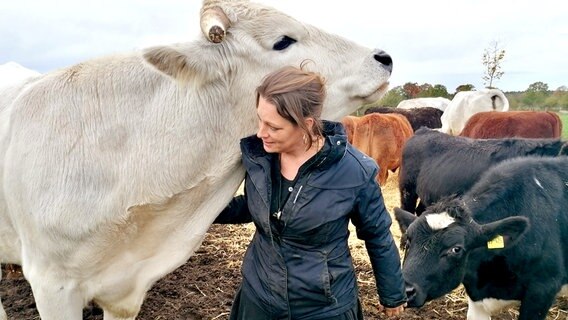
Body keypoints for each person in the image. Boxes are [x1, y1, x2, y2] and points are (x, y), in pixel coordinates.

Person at [214, 63, 407, 320]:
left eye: (274, 126)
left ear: (306, 125)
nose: (261, 133)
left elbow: (378, 235)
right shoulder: (261, 156)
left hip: (323, 307)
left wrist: (392, 293)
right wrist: (200, 211)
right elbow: (255, 205)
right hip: (259, 298)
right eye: (260, 120)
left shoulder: (354, 172)